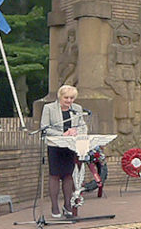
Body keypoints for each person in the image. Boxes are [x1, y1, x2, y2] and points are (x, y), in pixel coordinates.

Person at [40, 84, 88, 218]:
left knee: (68, 174)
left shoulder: (77, 109)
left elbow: (83, 127)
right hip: (55, 145)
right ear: (60, 97)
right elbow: (45, 128)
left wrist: (76, 131)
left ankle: (68, 204)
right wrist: (63, 133)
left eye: (72, 98)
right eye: (66, 98)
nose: (69, 101)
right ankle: (54, 205)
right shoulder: (49, 108)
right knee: (55, 175)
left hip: (71, 146)